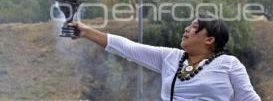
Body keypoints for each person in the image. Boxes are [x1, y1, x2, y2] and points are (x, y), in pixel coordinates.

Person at [70, 13, 261, 101]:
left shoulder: (229, 65)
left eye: (194, 27)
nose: (186, 29)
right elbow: (128, 48)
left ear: (209, 39)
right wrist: (87, 32)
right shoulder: (171, 57)